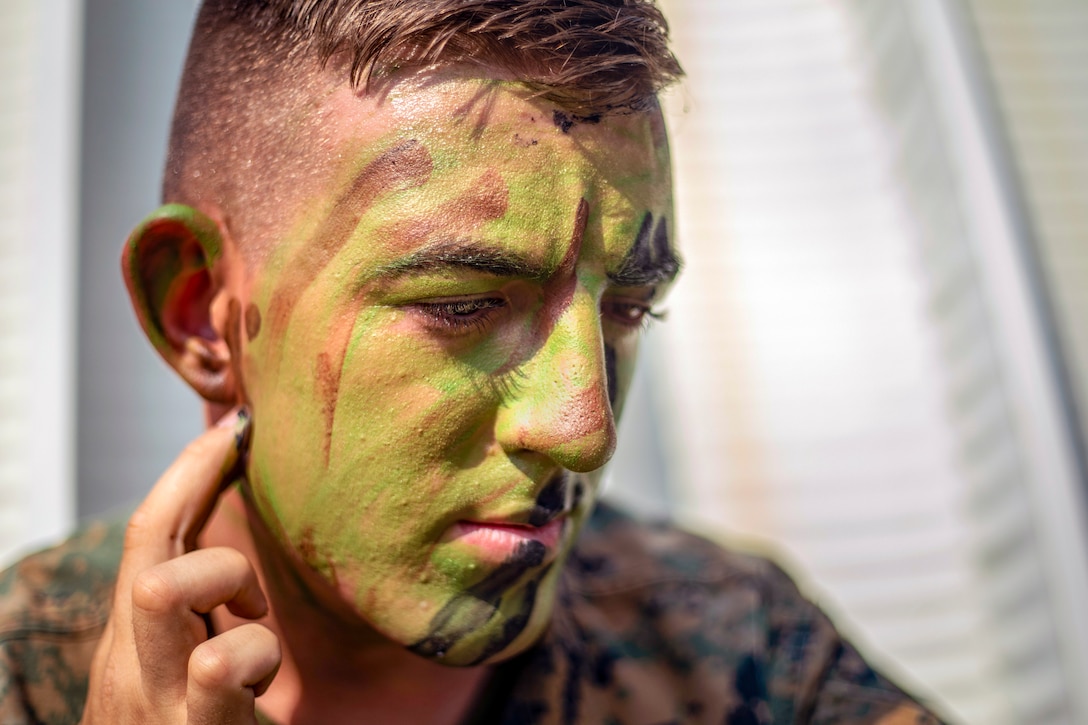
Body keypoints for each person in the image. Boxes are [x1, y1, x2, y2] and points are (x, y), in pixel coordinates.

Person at [0, 1, 945, 723]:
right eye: (462, 303)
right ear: (201, 312)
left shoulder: (741, 651)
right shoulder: (27, 676)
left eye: (628, 307)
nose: (583, 431)